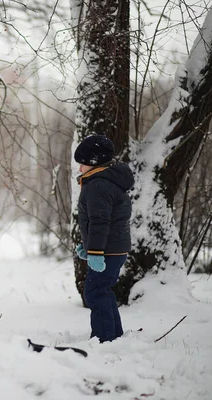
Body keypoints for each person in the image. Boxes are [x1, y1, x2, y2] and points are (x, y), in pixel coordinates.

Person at [74, 134, 134, 343]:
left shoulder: (98, 185)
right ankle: (113, 334)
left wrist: (96, 252)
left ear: (93, 162)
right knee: (102, 289)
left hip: (107, 250)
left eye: (82, 164)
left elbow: (100, 221)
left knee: (95, 291)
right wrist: (88, 245)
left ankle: (104, 337)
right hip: (112, 248)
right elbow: (101, 221)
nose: (80, 169)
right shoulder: (107, 182)